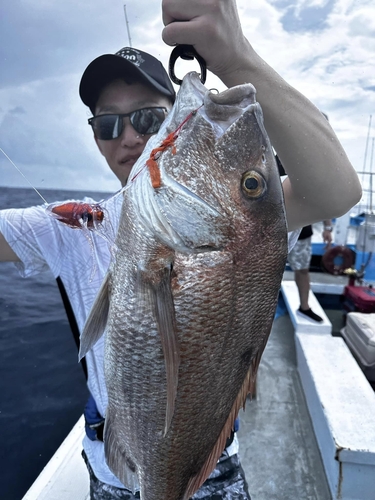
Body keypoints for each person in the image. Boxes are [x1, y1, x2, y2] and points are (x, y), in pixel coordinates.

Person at [0, 1, 361, 498]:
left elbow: (337, 193)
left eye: (148, 117)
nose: (127, 137)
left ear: (171, 115)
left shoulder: (244, 230)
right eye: (108, 125)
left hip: (212, 469)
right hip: (111, 473)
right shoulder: (71, 225)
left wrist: (238, 60)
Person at [288, 222, 333, 322]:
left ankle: (304, 307)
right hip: (268, 229)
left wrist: (327, 228)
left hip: (301, 230)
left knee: (303, 270)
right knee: (262, 272)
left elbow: (323, 205)